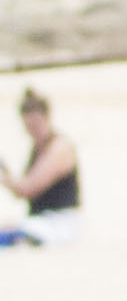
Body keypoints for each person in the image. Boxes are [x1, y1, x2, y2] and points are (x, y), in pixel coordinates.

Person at [5, 86, 77, 246]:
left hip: (59, 223)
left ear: (46, 118)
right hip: (40, 221)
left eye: (36, 125)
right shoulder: (37, 149)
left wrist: (4, 178)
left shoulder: (59, 148)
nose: (33, 131)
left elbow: (27, 189)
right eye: (29, 127)